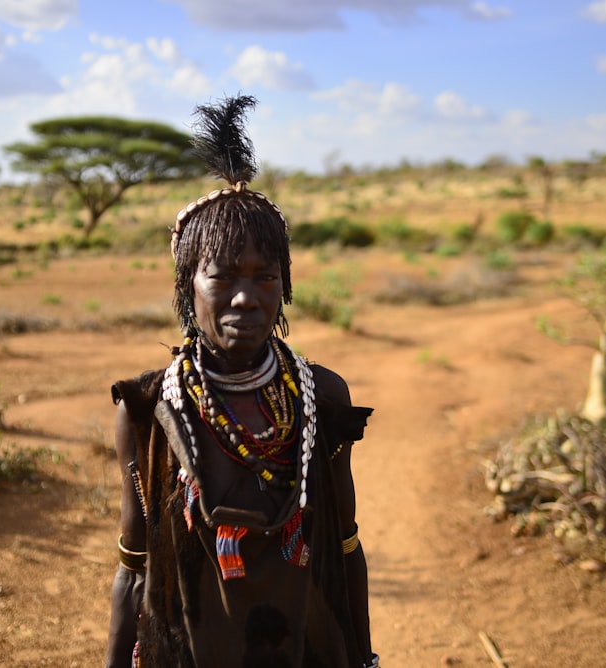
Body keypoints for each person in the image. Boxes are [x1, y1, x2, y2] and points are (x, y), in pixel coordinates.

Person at [105, 95, 378, 668]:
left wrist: (365, 659)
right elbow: (134, 569)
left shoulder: (321, 397)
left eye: (265, 276)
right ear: (187, 287)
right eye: (222, 276)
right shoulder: (149, 410)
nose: (245, 297)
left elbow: (346, 549)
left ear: (285, 284)